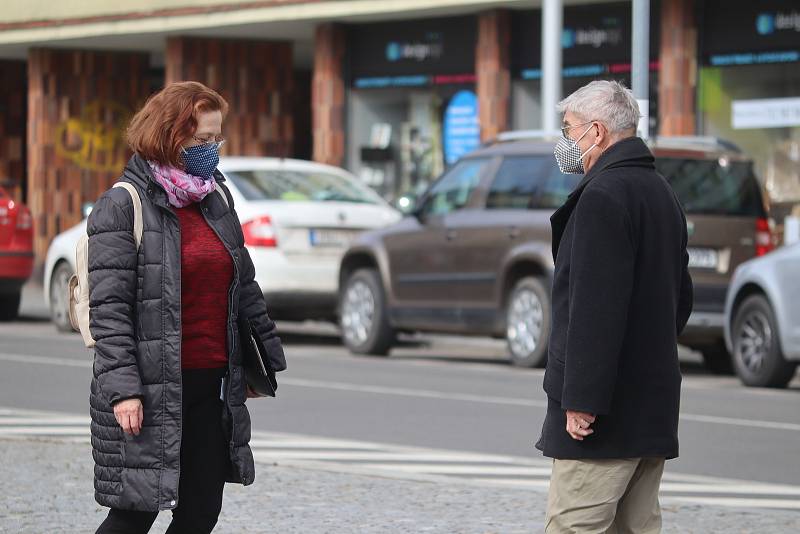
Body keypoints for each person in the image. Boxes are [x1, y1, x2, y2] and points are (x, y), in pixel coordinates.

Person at [89, 81, 286, 534]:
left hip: (211, 382)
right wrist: (124, 390)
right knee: (136, 511)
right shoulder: (123, 205)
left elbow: (243, 283)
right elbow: (110, 310)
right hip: (150, 386)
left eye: (217, 138)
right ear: (169, 135)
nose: (212, 149)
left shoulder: (214, 197)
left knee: (201, 509)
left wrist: (259, 364)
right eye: (202, 140)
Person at [537, 80, 693, 533]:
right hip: (650, 405)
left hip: (602, 418)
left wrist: (581, 399)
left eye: (569, 129)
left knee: (575, 525)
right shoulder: (662, 193)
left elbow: (593, 308)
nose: (565, 142)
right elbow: (679, 299)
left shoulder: (603, 196)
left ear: (598, 131)